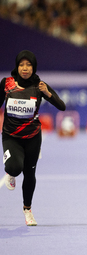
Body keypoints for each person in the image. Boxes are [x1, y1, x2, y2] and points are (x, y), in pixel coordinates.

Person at [2, 50, 66, 226]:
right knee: (14, 167)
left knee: (29, 174)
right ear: (17, 66)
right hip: (11, 136)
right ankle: (10, 172)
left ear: (33, 67)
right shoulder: (7, 84)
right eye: (22, 65)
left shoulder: (40, 85)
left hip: (32, 137)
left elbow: (62, 106)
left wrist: (48, 93)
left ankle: (27, 210)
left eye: (28, 65)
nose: (25, 68)